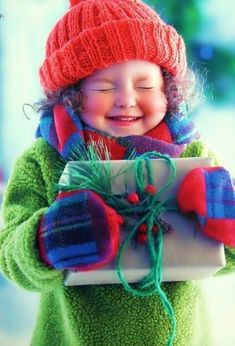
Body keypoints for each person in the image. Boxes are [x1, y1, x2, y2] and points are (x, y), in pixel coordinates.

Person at [0, 0, 235, 345]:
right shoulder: (44, 161)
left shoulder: (194, 154)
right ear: (72, 95)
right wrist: (48, 240)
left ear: (169, 91)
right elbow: (11, 260)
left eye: (144, 86)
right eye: (105, 87)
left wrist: (225, 219)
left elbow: (225, 261)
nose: (126, 99)